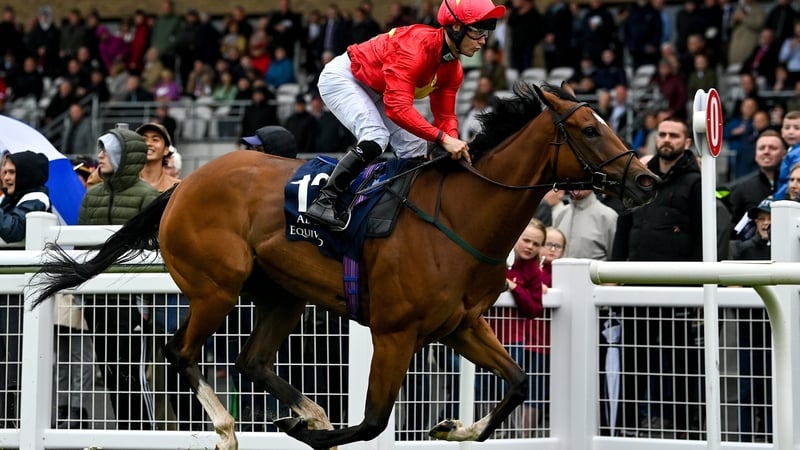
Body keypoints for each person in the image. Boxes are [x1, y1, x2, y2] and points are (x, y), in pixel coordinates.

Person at [306, 0, 505, 229]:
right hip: (344, 78)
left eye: (487, 33)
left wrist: (453, 143)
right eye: (478, 31)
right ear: (456, 27)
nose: (483, 41)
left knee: (417, 149)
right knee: (376, 137)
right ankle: (324, 200)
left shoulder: (452, 68)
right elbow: (397, 109)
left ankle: (402, 210)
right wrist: (443, 139)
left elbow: (445, 117)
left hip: (378, 89)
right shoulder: (415, 49)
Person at [611, 117, 704, 437]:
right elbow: (624, 227)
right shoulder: (640, 177)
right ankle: (624, 428)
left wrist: (699, 286)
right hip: (635, 287)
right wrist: (614, 272)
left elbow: (702, 239)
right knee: (633, 363)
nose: (666, 139)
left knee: (681, 364)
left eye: (674, 135)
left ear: (687, 142)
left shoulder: (695, 182)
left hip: (677, 290)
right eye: (662, 134)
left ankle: (685, 428)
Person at [78, 126, 160, 429]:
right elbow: (81, 246)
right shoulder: (92, 195)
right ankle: (125, 435)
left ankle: (145, 439)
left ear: (124, 156)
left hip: (131, 300)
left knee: (131, 373)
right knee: (110, 372)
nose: (99, 155)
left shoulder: (150, 196)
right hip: (96, 300)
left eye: (106, 149)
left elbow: (154, 248)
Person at [484, 218, 546, 437]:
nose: (530, 246)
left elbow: (534, 308)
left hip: (512, 341)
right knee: (483, 391)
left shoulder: (533, 272)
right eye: (526, 240)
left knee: (505, 390)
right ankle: (488, 432)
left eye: (536, 244)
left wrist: (514, 288)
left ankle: (509, 435)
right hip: (485, 338)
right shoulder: (495, 262)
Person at [731, 197, 773, 441]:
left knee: (773, 388)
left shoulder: (787, 249)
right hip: (750, 330)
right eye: (761, 219)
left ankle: (770, 435)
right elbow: (733, 285)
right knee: (748, 388)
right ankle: (746, 439)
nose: (765, 223)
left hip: (776, 332)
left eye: (769, 219)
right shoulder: (745, 249)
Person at [554, 189, 617, 261]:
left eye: (583, 178)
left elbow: (615, 262)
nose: (579, 183)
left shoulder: (608, 217)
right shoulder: (560, 214)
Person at [136, 122, 180, 193]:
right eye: (144, 139)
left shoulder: (176, 187)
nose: (148, 143)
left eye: (155, 140)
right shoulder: (125, 184)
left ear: (166, 150)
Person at [773, 110, 800, 199]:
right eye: (787, 128)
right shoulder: (791, 151)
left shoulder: (797, 153)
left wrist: (776, 198)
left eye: (797, 128)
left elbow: (790, 182)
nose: (791, 132)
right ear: (782, 131)